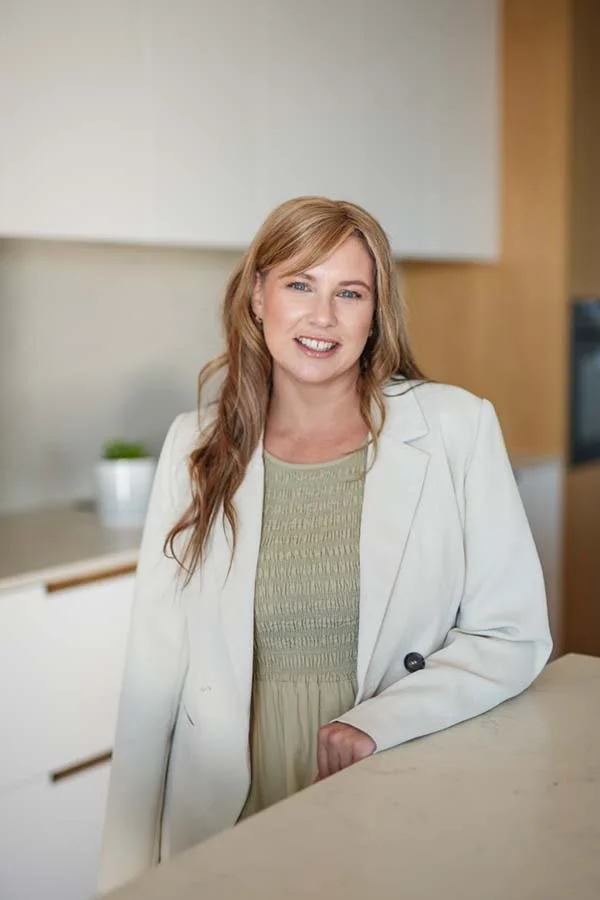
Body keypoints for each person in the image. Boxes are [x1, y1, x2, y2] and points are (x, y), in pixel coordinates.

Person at [98, 196, 552, 893]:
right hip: (228, 816)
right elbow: (151, 681)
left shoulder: (457, 427)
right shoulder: (195, 446)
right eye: (299, 285)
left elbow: (512, 633)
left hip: (391, 785)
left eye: (349, 292)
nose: (322, 316)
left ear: (376, 315)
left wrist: (379, 722)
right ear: (257, 297)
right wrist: (123, 880)